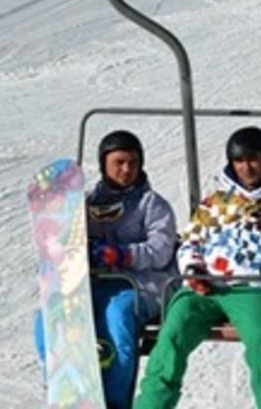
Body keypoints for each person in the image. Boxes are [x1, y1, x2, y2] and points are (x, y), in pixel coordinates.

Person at [135, 127, 261, 409]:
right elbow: (191, 240)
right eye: (239, 161)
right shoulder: (216, 202)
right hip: (204, 287)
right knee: (170, 338)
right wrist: (192, 271)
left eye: (253, 159)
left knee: (260, 343)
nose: (247, 167)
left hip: (250, 288)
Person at [33, 130, 177, 409]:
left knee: (117, 319)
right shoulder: (84, 204)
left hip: (138, 286)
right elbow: (61, 242)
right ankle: (64, 388)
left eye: (132, 163)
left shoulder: (152, 204)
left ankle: (114, 400)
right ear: (104, 165)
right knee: (48, 319)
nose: (126, 169)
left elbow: (161, 250)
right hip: (93, 284)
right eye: (119, 163)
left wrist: (123, 255)